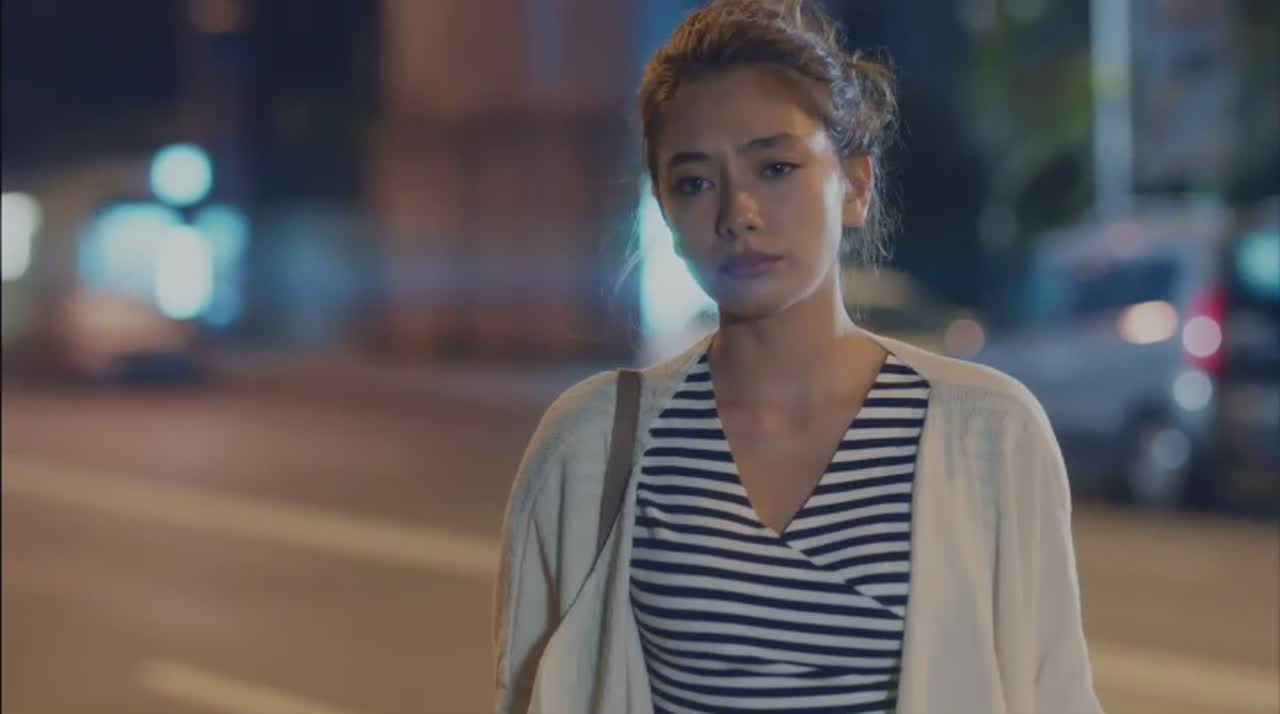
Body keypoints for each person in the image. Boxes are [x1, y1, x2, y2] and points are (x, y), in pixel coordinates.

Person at [493, 1, 1104, 712]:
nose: (738, 213)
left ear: (856, 186)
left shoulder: (988, 433)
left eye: (776, 167)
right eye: (695, 182)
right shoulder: (592, 445)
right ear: (663, 208)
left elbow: (1055, 693)